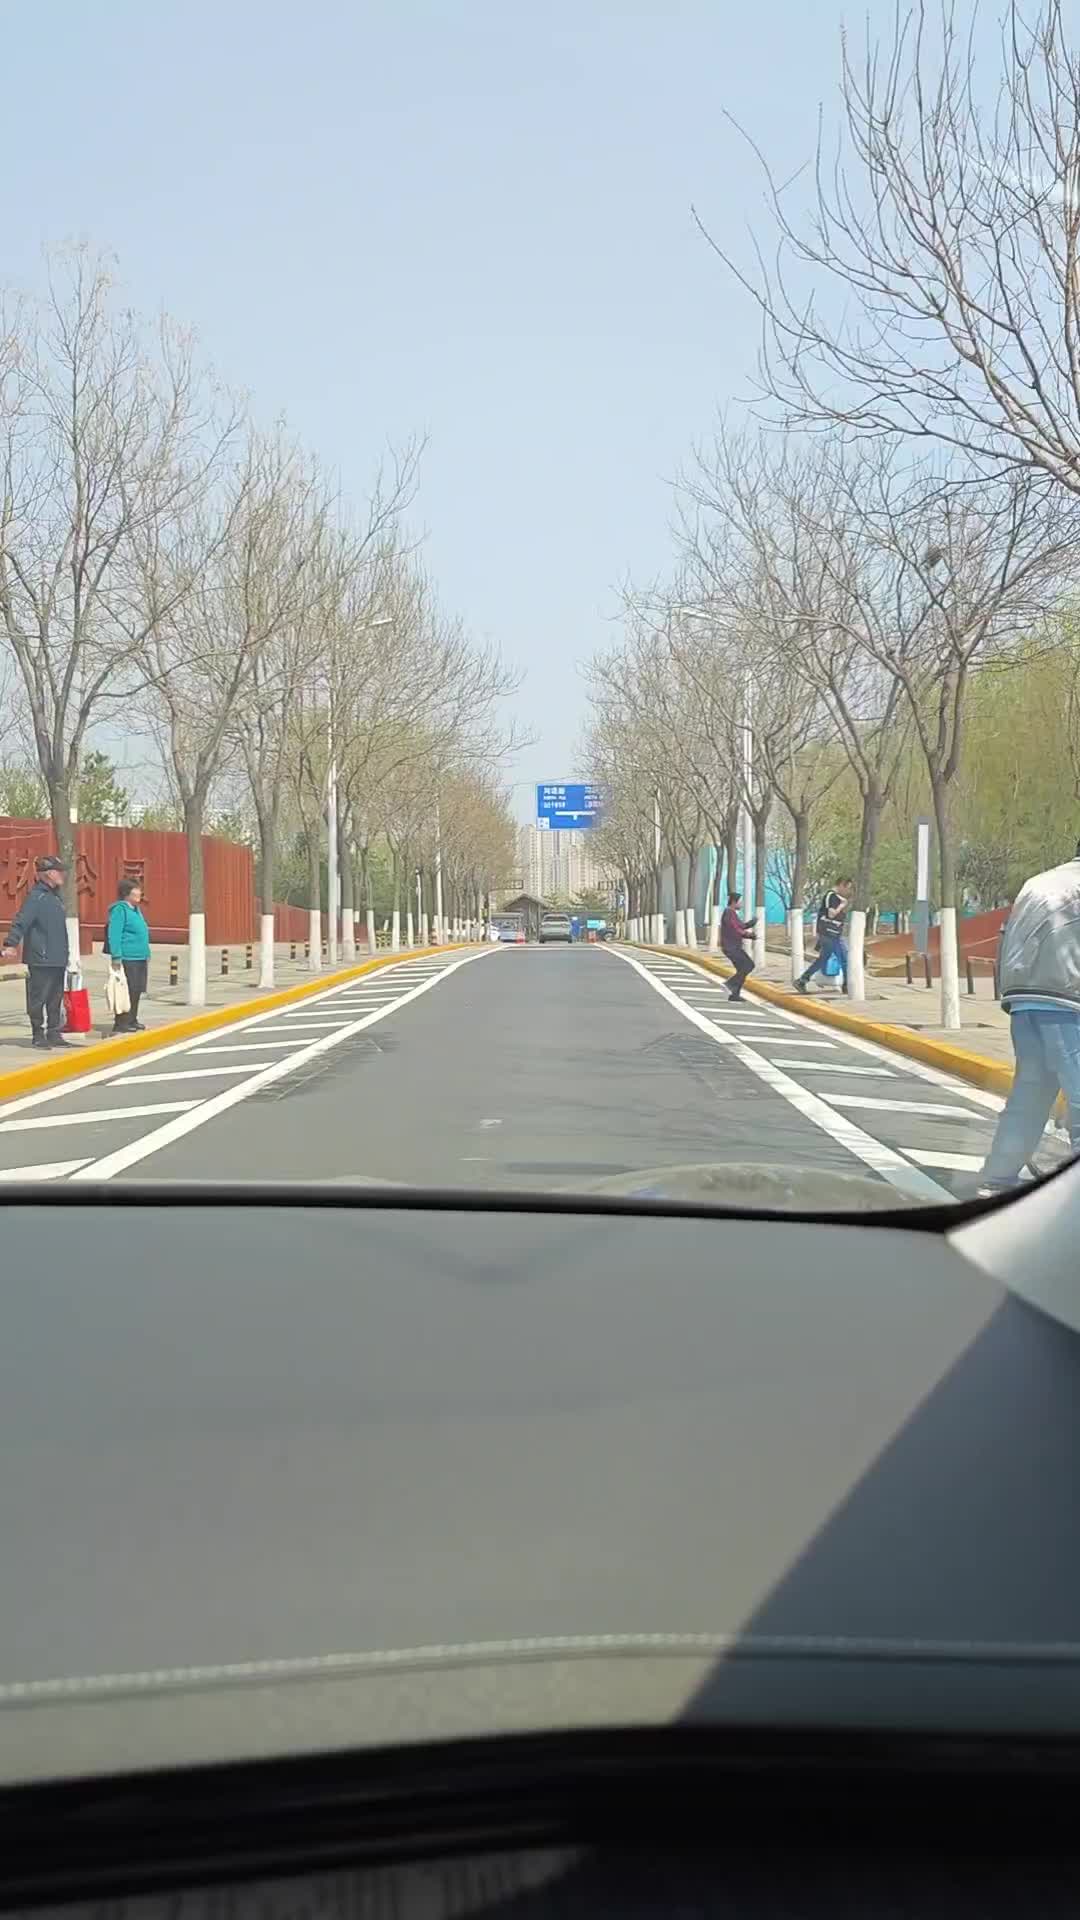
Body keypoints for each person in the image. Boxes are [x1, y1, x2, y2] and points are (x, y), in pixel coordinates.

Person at [977, 842, 1080, 1195]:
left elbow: (1005, 936)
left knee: (1029, 1095)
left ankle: (998, 1177)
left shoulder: (1038, 882)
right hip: (1067, 999)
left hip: (1023, 1000)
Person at [0, 854, 71, 1050]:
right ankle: (38, 1035)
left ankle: (54, 1033)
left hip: (58, 958)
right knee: (38, 999)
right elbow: (21, 921)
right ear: (48, 874)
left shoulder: (56, 897)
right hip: (41, 958)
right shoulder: (36, 897)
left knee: (55, 999)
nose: (62, 875)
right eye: (59, 871)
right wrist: (10, 944)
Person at [106, 875, 151, 1033]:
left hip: (140, 957)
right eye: (136, 891)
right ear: (126, 894)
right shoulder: (120, 910)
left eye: (139, 891)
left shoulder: (136, 910)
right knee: (126, 990)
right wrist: (116, 956)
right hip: (127, 957)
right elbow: (114, 934)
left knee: (136, 989)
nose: (139, 894)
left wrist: (147, 953)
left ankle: (132, 1019)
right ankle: (121, 1022)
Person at [797, 881, 853, 995]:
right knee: (842, 959)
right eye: (847, 888)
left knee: (826, 959)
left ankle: (802, 980)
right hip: (829, 934)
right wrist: (842, 905)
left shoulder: (836, 897)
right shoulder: (831, 896)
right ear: (841, 885)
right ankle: (846, 986)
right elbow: (831, 914)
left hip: (833, 933)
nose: (848, 891)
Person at [719, 889, 757, 1001]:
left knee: (742, 969)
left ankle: (734, 995)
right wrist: (748, 934)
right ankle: (730, 983)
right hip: (731, 947)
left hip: (733, 946)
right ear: (734, 902)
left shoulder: (732, 913)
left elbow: (740, 926)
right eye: (740, 902)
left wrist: (751, 923)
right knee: (749, 965)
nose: (741, 904)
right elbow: (735, 929)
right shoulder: (728, 913)